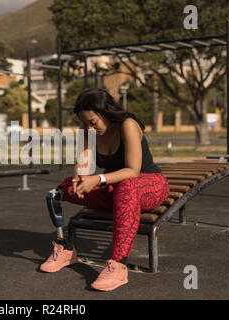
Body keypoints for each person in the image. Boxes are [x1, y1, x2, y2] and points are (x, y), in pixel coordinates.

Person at [40, 88, 170, 292]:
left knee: (127, 187)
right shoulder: (86, 131)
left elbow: (133, 171)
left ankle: (118, 265)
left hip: (149, 185)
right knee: (63, 188)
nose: (89, 128)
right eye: (85, 123)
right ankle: (65, 248)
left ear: (106, 112)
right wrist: (79, 178)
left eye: (93, 122)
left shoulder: (127, 124)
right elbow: (83, 164)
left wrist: (98, 179)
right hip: (116, 189)